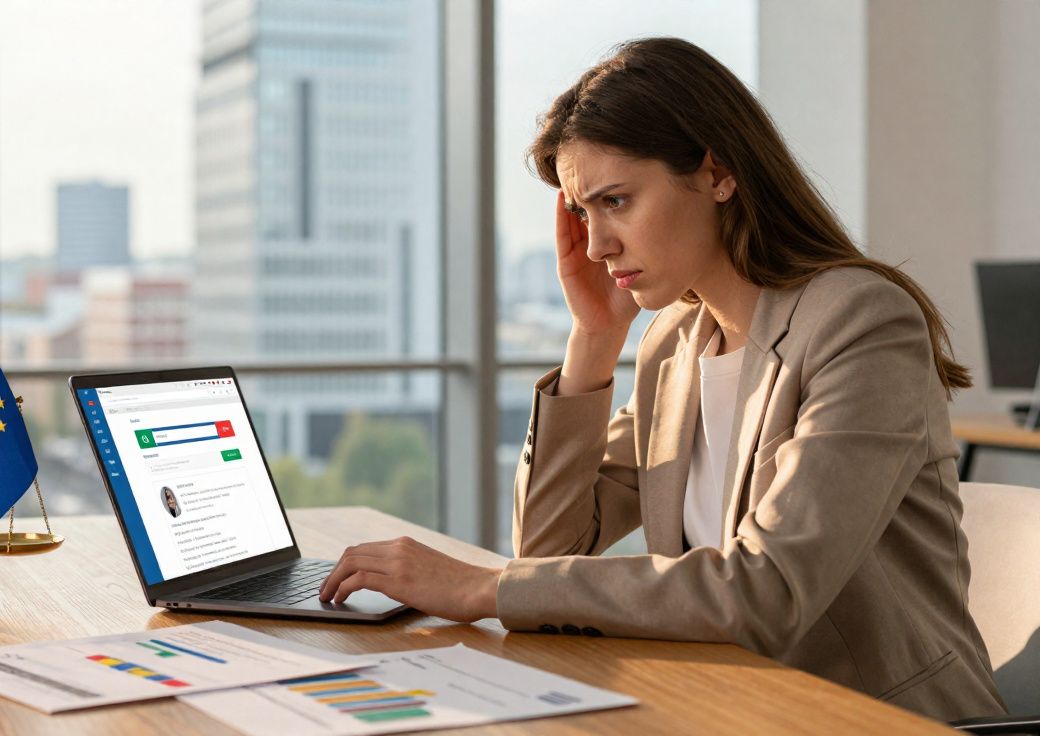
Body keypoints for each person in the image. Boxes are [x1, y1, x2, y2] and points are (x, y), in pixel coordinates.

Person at [318, 38, 1006, 722]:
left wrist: (483, 586)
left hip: (869, 717)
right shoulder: (675, 342)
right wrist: (593, 340)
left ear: (718, 173)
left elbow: (765, 591)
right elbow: (552, 549)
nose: (595, 245)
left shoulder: (860, 322)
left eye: (616, 201)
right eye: (584, 213)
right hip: (728, 705)